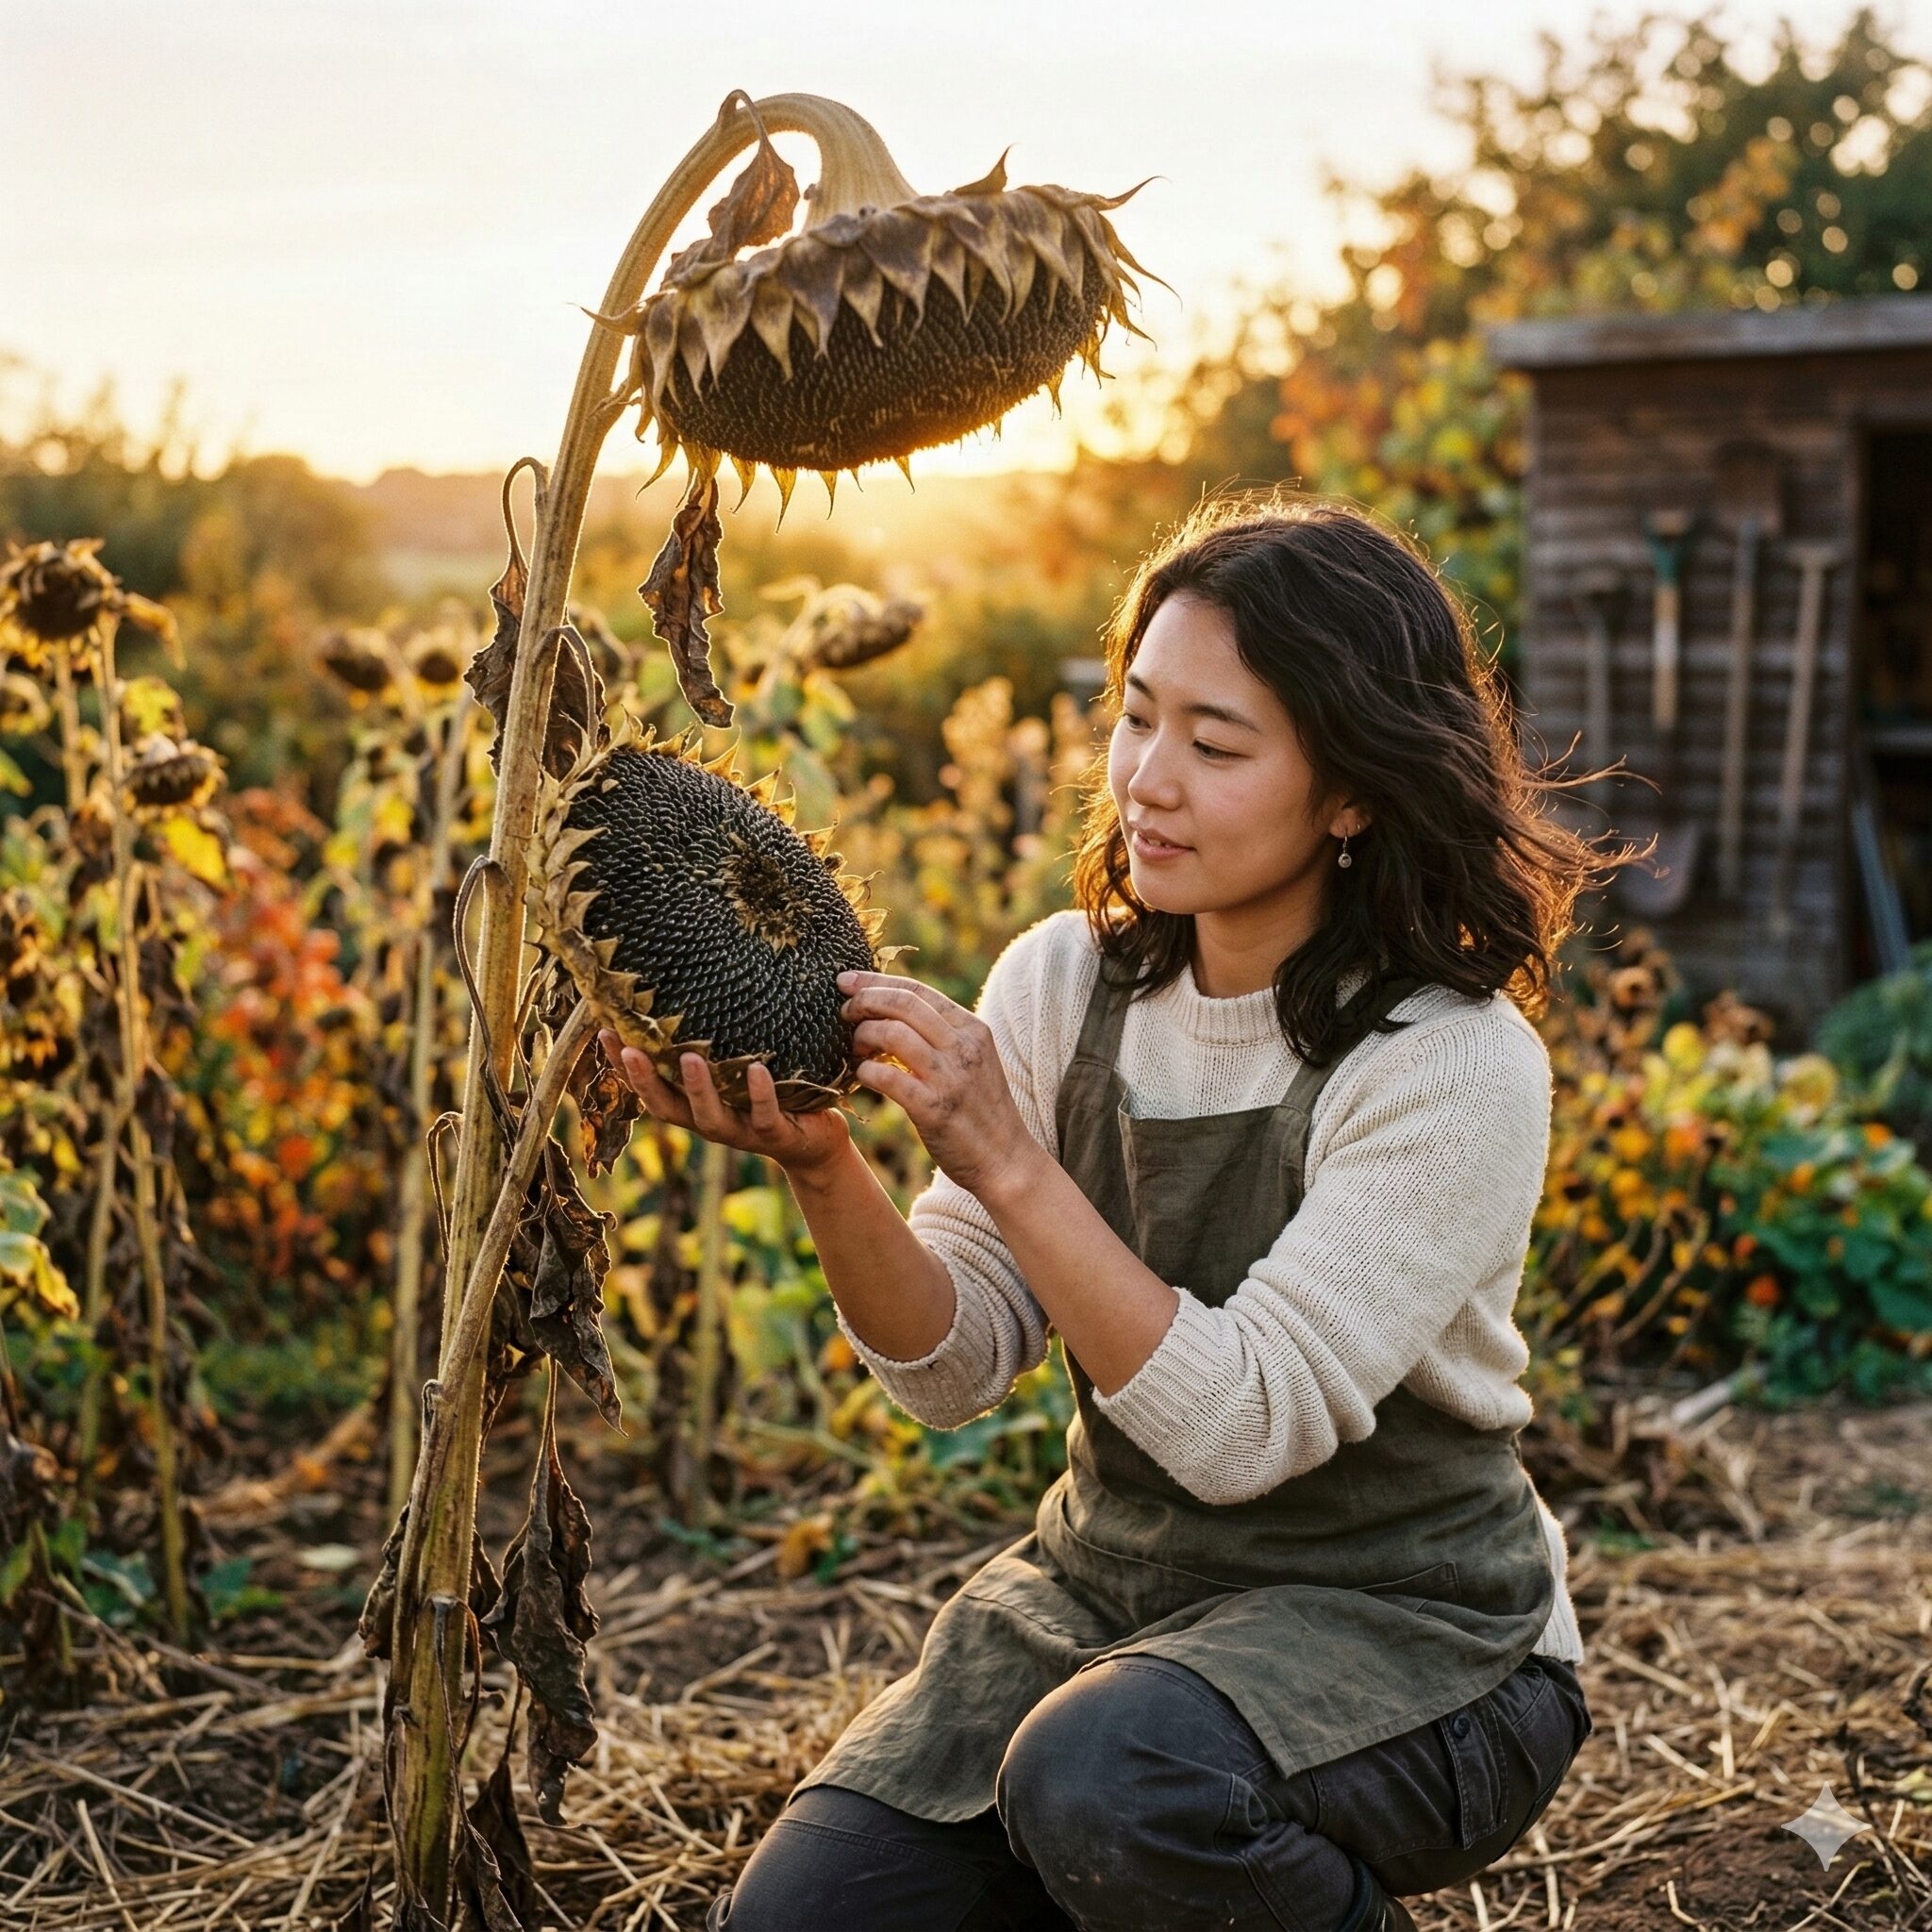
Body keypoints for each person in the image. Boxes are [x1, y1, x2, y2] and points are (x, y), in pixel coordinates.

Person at [600, 494, 1634, 1931]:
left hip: (1415, 1632)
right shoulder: (1062, 984)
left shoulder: (1450, 1062)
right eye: (1137, 717)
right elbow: (955, 1366)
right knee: (805, 1920)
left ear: (1353, 791)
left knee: (1110, 1785)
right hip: (1108, 1597)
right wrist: (827, 1168)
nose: (1147, 778)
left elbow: (1244, 1428)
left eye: (1216, 744)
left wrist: (1008, 1158)